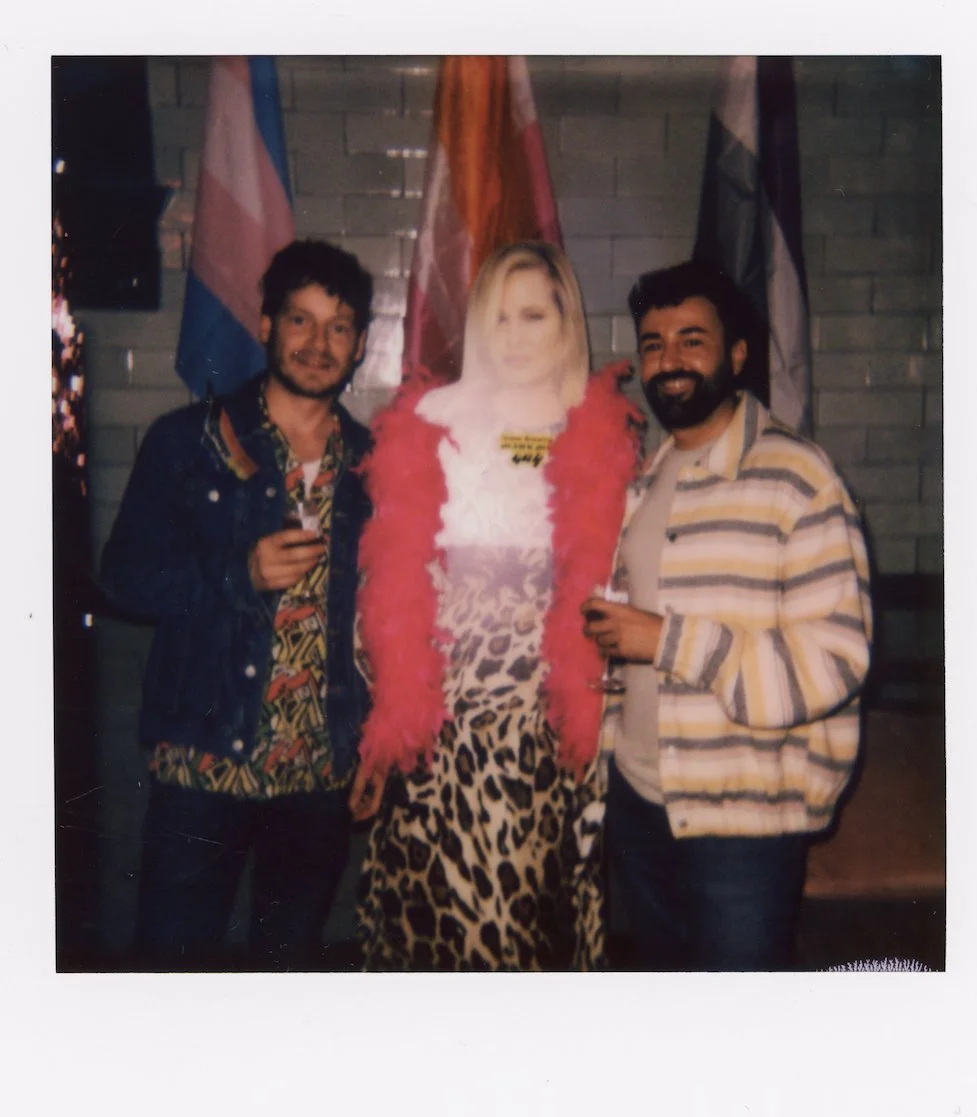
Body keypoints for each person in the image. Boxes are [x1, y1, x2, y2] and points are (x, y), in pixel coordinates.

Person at [349, 241, 641, 970]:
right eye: (500, 317)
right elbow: (388, 583)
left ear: (566, 321)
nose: (514, 336)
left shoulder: (596, 428)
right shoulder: (433, 419)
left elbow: (613, 585)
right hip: (438, 721)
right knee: (434, 921)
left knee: (522, 920)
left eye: (533, 315)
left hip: (543, 724)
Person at [583, 261, 872, 971]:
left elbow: (835, 661)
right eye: (654, 345)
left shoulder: (798, 478)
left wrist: (668, 640)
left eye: (692, 340)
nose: (670, 360)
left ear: (737, 355)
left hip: (745, 824)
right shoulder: (645, 480)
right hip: (639, 801)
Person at [100, 239, 374, 970]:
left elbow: (382, 625)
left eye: (339, 327)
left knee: (287, 976)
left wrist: (376, 743)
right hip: (204, 763)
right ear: (265, 325)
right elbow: (122, 577)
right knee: (172, 972)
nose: (318, 344)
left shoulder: (373, 466)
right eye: (300, 320)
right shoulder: (189, 441)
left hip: (317, 778)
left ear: (360, 345)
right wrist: (237, 573)